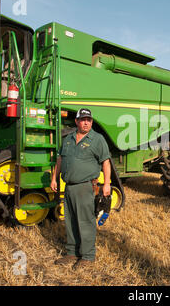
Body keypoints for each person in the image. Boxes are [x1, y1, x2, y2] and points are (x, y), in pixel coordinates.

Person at [51, 108, 111, 270]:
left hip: (86, 186)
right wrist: (54, 178)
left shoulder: (98, 139)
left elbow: (105, 162)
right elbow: (60, 159)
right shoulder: (68, 139)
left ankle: (87, 256)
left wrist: (106, 184)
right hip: (69, 187)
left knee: (85, 221)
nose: (86, 122)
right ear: (76, 121)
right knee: (70, 221)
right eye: (83, 119)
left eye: (89, 120)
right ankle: (72, 253)